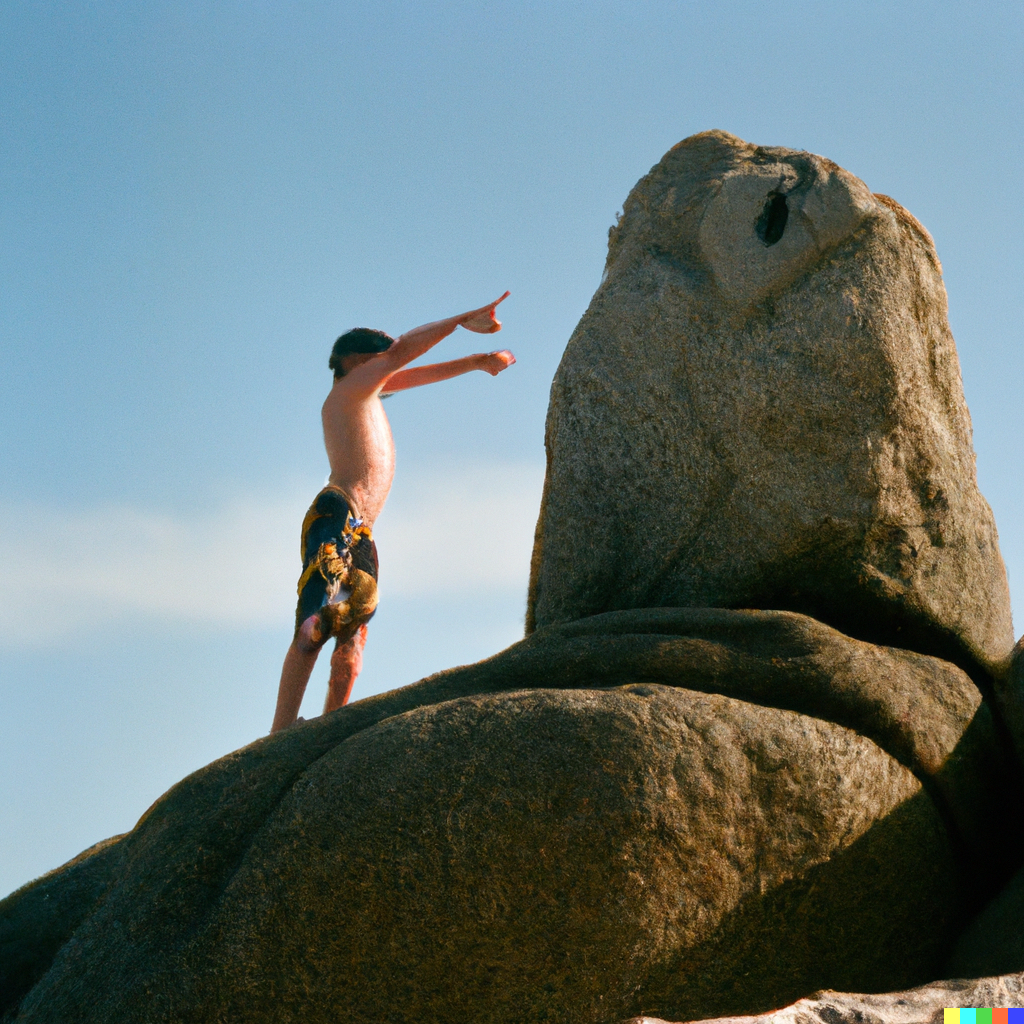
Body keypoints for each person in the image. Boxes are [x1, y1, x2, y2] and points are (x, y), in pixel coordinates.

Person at [270, 292, 514, 733]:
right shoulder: (347, 393)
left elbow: (413, 370)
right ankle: (278, 734)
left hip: (362, 531)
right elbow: (403, 352)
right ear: (349, 363)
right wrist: (463, 320)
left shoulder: (368, 393)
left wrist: (477, 361)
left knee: (354, 637)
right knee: (314, 624)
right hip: (335, 511)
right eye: (376, 361)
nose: (387, 366)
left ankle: (330, 727)